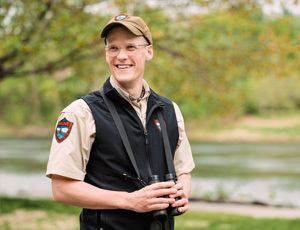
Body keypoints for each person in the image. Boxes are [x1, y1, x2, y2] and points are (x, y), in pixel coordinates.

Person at [46, 14, 195, 230]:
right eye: (113, 48)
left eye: (131, 47)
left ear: (149, 51)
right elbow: (61, 189)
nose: (121, 56)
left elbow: (184, 172)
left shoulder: (169, 109)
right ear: (106, 54)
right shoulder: (80, 112)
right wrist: (129, 201)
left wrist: (181, 191)